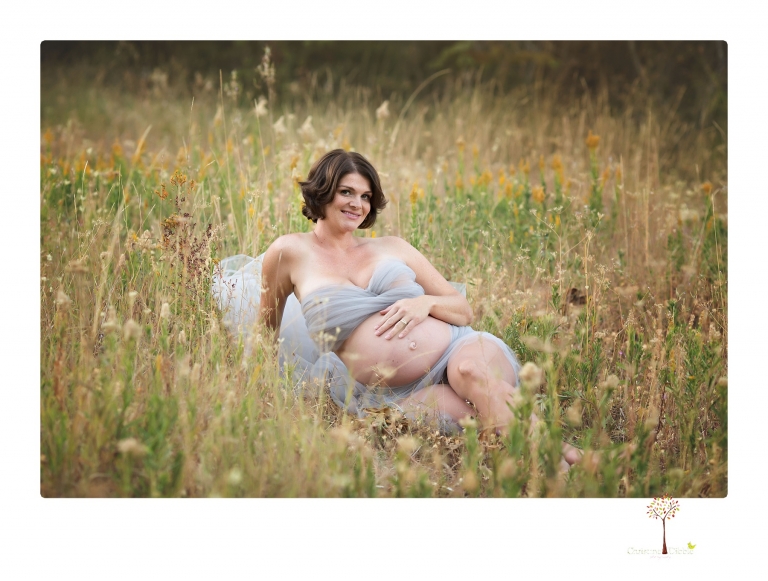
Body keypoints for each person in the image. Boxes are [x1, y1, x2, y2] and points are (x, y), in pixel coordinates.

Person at [214, 149, 580, 465]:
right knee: (478, 419)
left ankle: (557, 464)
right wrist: (253, 395)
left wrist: (424, 303)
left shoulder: (392, 246)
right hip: (397, 391)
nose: (358, 204)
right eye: (346, 192)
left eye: (366, 196)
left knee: (470, 371)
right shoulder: (289, 252)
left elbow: (462, 310)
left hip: (459, 349)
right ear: (322, 191)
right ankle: (558, 458)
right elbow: (265, 332)